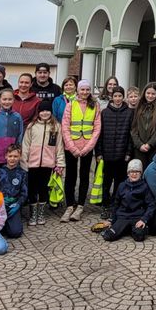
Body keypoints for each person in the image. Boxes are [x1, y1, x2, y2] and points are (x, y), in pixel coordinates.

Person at [61, 80, 101, 222]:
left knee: (84, 176)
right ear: (78, 90)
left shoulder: (95, 105)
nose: (85, 92)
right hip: (71, 147)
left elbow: (97, 128)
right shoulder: (70, 105)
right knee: (70, 176)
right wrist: (72, 147)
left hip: (87, 147)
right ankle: (70, 205)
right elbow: (65, 127)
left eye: (87, 90)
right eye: (82, 89)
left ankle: (80, 206)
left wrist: (87, 147)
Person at [22, 100, 65, 226]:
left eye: (47, 111)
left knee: (43, 188)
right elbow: (25, 145)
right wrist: (24, 162)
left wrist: (60, 163)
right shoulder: (32, 126)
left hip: (48, 163)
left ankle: (41, 213)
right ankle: (33, 213)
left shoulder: (56, 126)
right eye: (42, 111)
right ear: (38, 112)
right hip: (32, 164)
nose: (45, 113)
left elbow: (59, 146)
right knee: (32, 189)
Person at [97, 87, 133, 220]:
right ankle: (105, 206)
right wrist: (99, 152)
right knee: (106, 183)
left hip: (122, 155)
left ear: (123, 97)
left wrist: (128, 152)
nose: (118, 99)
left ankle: (116, 206)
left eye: (120, 96)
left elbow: (130, 135)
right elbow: (100, 134)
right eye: (115, 96)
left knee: (120, 183)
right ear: (112, 97)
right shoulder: (105, 112)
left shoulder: (129, 113)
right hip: (107, 154)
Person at [102, 159, 155, 243]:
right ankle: (125, 228)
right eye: (131, 172)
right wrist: (112, 220)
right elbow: (116, 204)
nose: (134, 174)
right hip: (123, 217)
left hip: (137, 217)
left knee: (139, 236)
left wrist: (144, 219)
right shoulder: (122, 185)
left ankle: (129, 229)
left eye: (137, 172)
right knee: (108, 236)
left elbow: (151, 205)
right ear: (128, 173)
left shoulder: (144, 187)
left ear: (141, 173)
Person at [131, 81, 156, 169]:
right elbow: (134, 128)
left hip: (155, 147)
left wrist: (150, 144)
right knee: (139, 172)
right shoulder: (139, 106)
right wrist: (139, 144)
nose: (150, 96)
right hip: (139, 148)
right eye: (148, 93)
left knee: (152, 172)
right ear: (144, 93)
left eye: (153, 94)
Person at [0, 144, 27, 238]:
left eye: (15, 156)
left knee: (15, 233)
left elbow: (24, 193)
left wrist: (17, 204)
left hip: (13, 206)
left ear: (20, 157)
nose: (12, 159)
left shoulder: (22, 173)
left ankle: (10, 223)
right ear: (6, 156)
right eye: (10, 156)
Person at [0, 88, 24, 167]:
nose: (7, 102)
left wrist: (17, 151)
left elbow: (20, 135)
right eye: (4, 99)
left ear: (13, 100)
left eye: (10, 99)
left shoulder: (17, 116)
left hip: (11, 158)